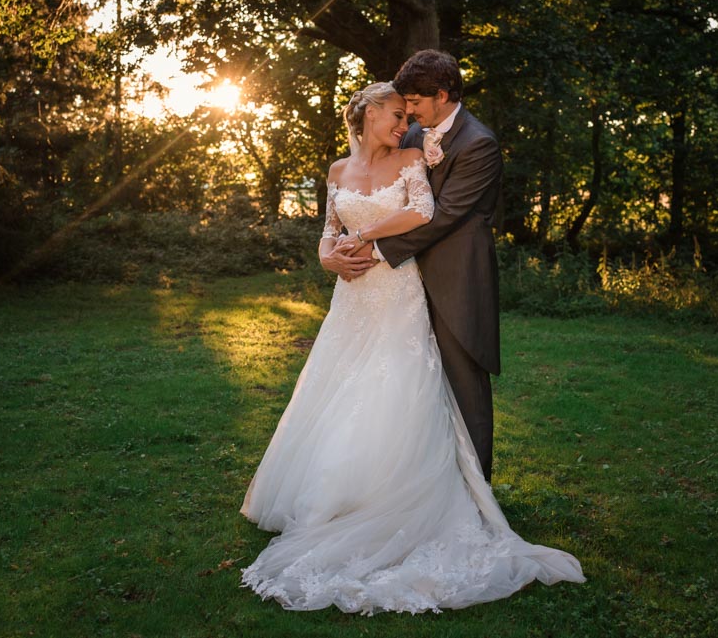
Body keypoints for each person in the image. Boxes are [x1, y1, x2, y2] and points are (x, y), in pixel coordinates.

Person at [239, 80, 584, 615]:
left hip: (396, 293)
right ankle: (337, 498)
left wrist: (367, 238)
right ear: (366, 113)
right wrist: (329, 256)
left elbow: (423, 213)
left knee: (394, 388)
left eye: (408, 114)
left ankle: (392, 499)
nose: (406, 124)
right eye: (397, 115)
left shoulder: (410, 159)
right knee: (339, 389)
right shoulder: (335, 171)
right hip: (350, 297)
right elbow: (327, 230)